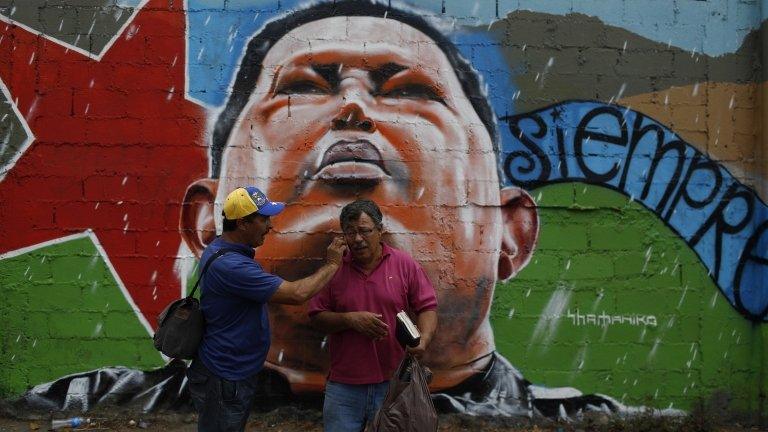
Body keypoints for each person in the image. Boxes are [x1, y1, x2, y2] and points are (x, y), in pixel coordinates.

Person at [179, 0, 624, 418]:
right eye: (302, 86)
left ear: (509, 232)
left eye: (409, 89)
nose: (352, 106)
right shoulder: (112, 397)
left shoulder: (581, 421)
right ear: (206, 221)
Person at [186, 186, 346, 432]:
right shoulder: (232, 266)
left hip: (228, 370)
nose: (270, 225)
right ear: (242, 224)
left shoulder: (222, 248)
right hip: (226, 376)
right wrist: (332, 264)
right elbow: (297, 294)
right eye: (263, 219)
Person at [308, 199, 438, 431]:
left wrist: (424, 339)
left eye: (365, 231)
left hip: (394, 382)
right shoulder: (333, 269)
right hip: (344, 385)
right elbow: (316, 316)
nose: (357, 239)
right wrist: (349, 319)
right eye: (350, 232)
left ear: (380, 231)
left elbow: (426, 307)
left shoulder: (403, 264)